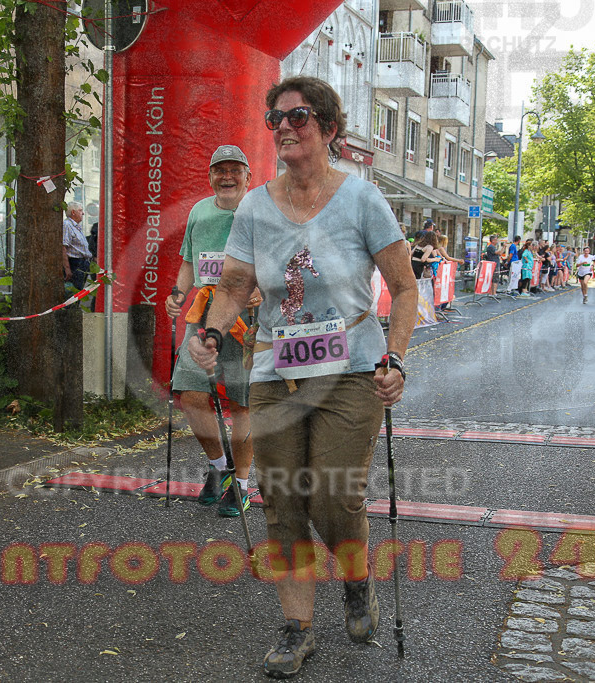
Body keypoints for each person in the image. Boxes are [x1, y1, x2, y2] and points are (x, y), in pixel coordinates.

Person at [188, 76, 418, 678]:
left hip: (350, 369)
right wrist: (212, 331)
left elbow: (404, 286)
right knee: (284, 500)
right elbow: (236, 284)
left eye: (299, 116)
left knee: (335, 493)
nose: (285, 126)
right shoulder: (257, 205)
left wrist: (394, 357)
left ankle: (356, 576)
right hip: (276, 368)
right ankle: (297, 628)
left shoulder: (362, 199)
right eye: (276, 118)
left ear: (330, 129)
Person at [164, 144, 259, 518]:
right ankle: (220, 469)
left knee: (241, 402)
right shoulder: (199, 211)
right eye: (220, 170)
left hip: (244, 320)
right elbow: (190, 260)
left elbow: (285, 259)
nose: (227, 176)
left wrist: (263, 288)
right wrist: (177, 294)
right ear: (210, 176)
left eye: (236, 170)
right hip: (203, 314)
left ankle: (243, 484)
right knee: (190, 394)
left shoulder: (260, 211)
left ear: (248, 177)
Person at [62, 201, 92, 292]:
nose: (83, 213)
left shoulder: (76, 226)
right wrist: (67, 269)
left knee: (80, 292)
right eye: (80, 210)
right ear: (73, 212)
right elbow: (63, 248)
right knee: (74, 293)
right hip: (75, 264)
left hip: (83, 263)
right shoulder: (67, 225)